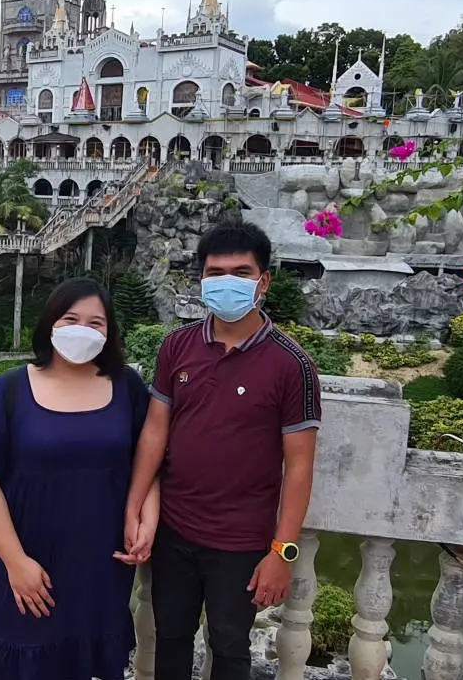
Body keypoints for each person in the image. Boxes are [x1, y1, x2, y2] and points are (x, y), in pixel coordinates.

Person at [124, 222, 322, 680]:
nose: (227, 281)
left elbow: (299, 466)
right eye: (216, 272)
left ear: (263, 281)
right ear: (201, 280)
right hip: (174, 530)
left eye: (241, 271)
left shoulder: (292, 365)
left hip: (242, 542)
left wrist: (282, 553)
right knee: (168, 637)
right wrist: (133, 508)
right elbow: (156, 431)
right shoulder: (177, 346)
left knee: (230, 647)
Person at [0, 277, 158, 680]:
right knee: (21, 662)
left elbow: (148, 464)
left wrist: (147, 519)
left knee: (86, 661)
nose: (83, 329)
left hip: (98, 568)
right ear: (50, 323)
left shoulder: (127, 387)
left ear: (110, 332)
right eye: (71, 318)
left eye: (96, 323)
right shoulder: (9, 390)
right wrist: (16, 562)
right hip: (26, 566)